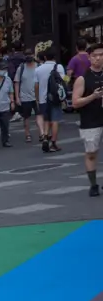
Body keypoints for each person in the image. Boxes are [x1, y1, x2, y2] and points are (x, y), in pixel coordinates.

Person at [70, 42, 103, 197]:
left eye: (101, 55)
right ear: (89, 58)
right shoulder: (83, 79)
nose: (98, 58)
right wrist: (93, 96)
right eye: (95, 55)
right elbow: (75, 102)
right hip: (90, 120)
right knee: (91, 152)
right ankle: (93, 184)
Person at [35, 50, 67, 152]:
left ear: (44, 57)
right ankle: (53, 143)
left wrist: (37, 98)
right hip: (56, 98)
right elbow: (64, 80)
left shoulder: (38, 69)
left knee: (46, 120)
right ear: (54, 56)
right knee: (55, 120)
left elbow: (36, 85)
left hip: (43, 98)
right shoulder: (59, 67)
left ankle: (45, 137)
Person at [13, 54, 39, 142]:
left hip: (37, 97)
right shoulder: (21, 68)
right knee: (26, 117)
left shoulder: (38, 67)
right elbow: (17, 83)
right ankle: (27, 134)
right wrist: (17, 97)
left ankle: (42, 133)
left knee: (39, 116)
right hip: (25, 97)